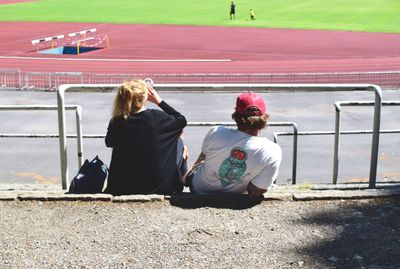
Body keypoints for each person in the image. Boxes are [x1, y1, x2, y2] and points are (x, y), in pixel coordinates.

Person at [185, 92, 282, 197]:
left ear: (235, 116)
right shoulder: (273, 150)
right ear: (264, 119)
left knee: (195, 154)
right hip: (235, 196)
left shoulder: (216, 132)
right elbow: (256, 191)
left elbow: (203, 156)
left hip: (199, 189)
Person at [104, 79, 188, 195]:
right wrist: (159, 101)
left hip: (121, 188)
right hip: (160, 188)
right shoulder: (157, 118)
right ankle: (183, 180)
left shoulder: (117, 121)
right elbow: (181, 120)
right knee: (179, 140)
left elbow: (109, 142)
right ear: (145, 98)